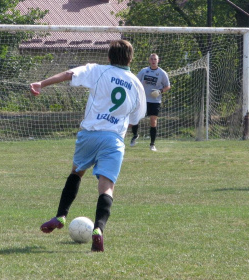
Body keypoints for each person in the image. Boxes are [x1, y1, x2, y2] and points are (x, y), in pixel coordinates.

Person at [30, 40, 146, 252]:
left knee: (76, 173)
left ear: (109, 57)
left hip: (90, 134)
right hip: (114, 139)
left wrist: (41, 84)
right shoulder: (136, 83)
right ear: (130, 59)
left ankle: (61, 215)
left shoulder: (97, 70)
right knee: (107, 186)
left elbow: (68, 74)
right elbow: (135, 119)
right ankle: (99, 229)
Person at [129, 53, 171, 151]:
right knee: (136, 118)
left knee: (153, 121)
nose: (153, 61)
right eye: (151, 59)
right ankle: (135, 135)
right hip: (142, 99)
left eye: (155, 59)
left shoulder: (162, 73)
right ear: (149, 60)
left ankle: (152, 144)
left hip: (155, 101)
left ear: (158, 61)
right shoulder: (144, 71)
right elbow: (136, 82)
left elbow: (168, 86)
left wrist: (160, 91)